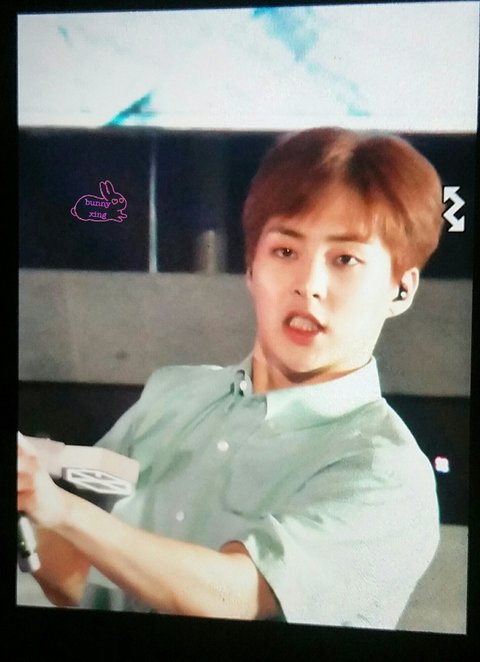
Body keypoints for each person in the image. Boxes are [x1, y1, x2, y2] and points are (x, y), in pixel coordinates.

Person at [18, 126, 444, 629]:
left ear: (401, 289)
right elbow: (80, 579)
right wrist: (27, 499)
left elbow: (233, 598)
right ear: (251, 267)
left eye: (345, 259)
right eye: (285, 252)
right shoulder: (174, 394)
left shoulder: (388, 472)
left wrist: (61, 510)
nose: (309, 285)